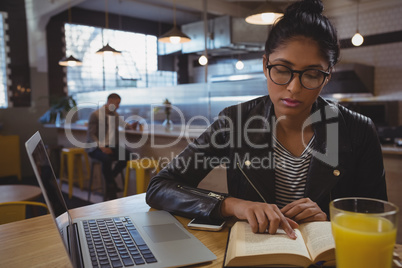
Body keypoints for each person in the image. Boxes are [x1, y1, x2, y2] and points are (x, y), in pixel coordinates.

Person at [146, 0, 387, 239]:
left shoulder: (358, 130)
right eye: (282, 70)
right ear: (265, 65)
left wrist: (330, 220)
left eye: (312, 75)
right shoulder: (235, 121)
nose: (293, 88)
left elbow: (377, 219)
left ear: (327, 77)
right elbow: (161, 187)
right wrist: (233, 205)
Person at [86, 93, 137, 200]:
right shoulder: (95, 115)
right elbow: (91, 135)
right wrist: (102, 147)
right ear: (109, 101)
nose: (118, 106)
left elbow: (125, 125)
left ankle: (111, 182)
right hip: (95, 147)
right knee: (106, 159)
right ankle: (111, 189)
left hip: (111, 146)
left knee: (129, 156)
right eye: (117, 103)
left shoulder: (115, 115)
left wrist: (131, 126)